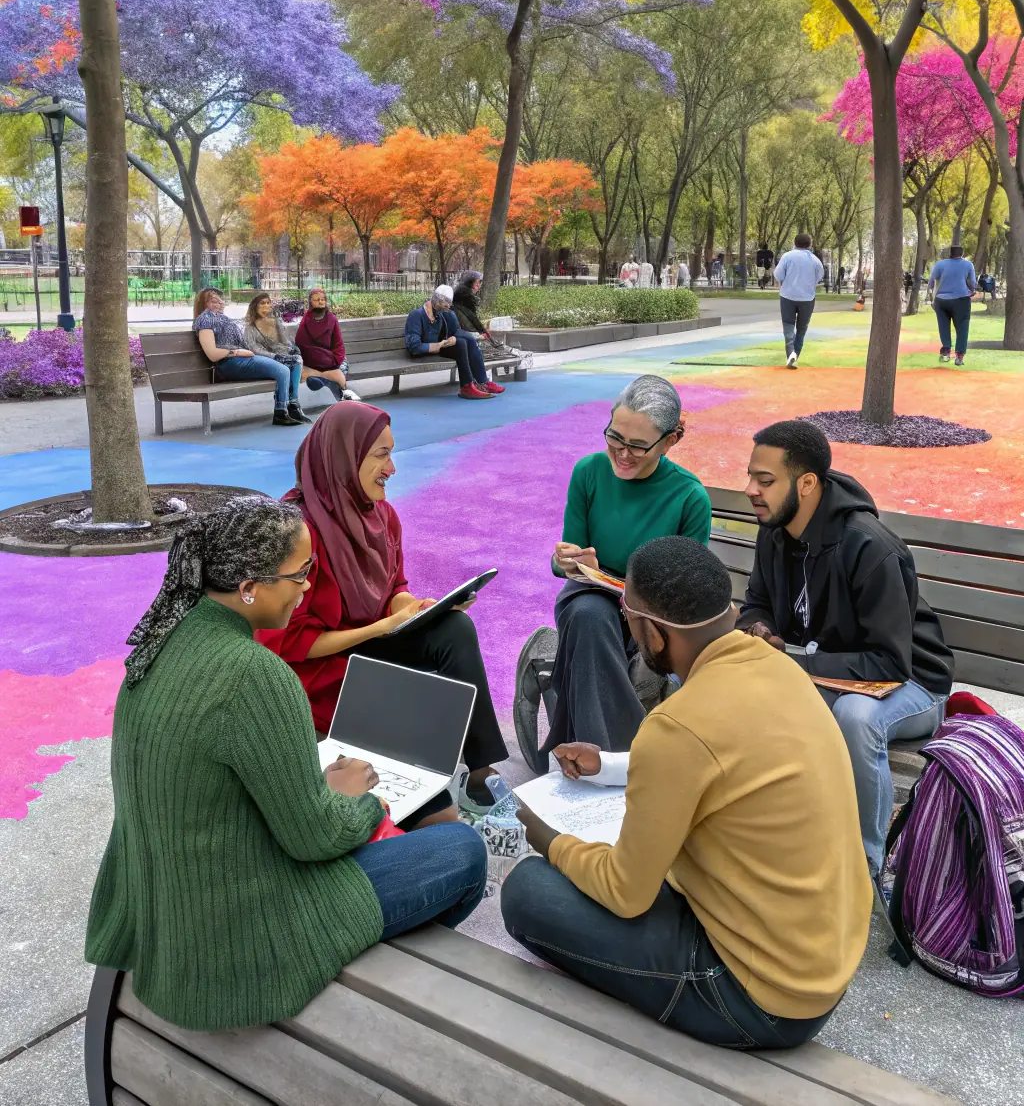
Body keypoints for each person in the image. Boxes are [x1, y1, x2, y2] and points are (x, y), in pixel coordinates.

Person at [85, 497, 487, 1033]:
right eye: (301, 574)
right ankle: (370, 975)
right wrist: (361, 803)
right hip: (242, 932)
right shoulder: (255, 674)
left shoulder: (159, 644)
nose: (306, 588)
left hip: (169, 902)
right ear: (250, 585)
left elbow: (212, 787)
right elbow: (313, 839)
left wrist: (314, 786)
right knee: (460, 850)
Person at [503, 536, 871, 1049]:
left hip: (757, 999)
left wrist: (546, 837)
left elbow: (624, 892)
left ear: (653, 634)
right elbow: (717, 762)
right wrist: (607, 766)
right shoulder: (779, 670)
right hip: (821, 965)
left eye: (627, 616)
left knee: (527, 891)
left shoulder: (676, 724)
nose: (627, 627)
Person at [258, 404, 509, 817]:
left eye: (392, 453)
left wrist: (411, 607)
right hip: (323, 668)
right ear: (343, 456)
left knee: (454, 626)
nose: (391, 468)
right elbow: (290, 645)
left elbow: (395, 586)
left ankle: (481, 774)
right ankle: (425, 793)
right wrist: (381, 627)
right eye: (379, 454)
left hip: (372, 642)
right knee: (435, 796)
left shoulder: (382, 517)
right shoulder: (297, 532)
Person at [737, 419, 953, 876]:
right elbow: (756, 603)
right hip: (827, 671)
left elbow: (890, 662)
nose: (750, 489)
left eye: (765, 480)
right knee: (748, 695)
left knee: (855, 717)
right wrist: (758, 631)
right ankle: (781, 839)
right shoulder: (774, 529)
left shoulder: (868, 546)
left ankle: (864, 867)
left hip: (912, 682)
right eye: (751, 476)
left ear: (808, 482)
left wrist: (795, 661)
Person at [539, 375, 712, 757]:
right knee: (587, 613)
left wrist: (640, 599)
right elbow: (568, 560)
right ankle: (620, 755)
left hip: (653, 612)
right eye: (614, 438)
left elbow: (685, 591)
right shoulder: (589, 472)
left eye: (637, 445)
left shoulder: (689, 496)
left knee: (590, 626)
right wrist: (565, 560)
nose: (622, 453)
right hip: (592, 593)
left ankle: (589, 754)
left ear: (671, 441)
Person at [193, 288, 308, 427]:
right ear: (203, 304)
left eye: (220, 299)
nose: (219, 303)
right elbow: (212, 354)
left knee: (293, 363)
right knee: (282, 370)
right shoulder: (205, 320)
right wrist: (236, 353)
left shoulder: (222, 318)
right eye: (213, 300)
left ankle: (292, 406)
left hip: (243, 360)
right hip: (228, 364)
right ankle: (280, 412)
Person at [404, 284, 504, 400]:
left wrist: (474, 337)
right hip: (422, 352)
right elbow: (414, 346)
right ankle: (471, 385)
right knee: (461, 342)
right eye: (445, 305)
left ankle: (476, 384)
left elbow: (456, 332)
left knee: (464, 341)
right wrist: (440, 344)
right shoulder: (416, 315)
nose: (448, 308)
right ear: (438, 301)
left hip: (439, 348)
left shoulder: (441, 313)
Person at [295, 287, 360, 401]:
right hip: (312, 361)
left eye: (323, 299)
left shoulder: (332, 319)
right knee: (334, 374)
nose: (321, 302)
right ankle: (343, 396)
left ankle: (321, 380)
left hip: (331, 359)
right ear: (311, 302)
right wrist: (316, 359)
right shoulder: (306, 319)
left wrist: (335, 360)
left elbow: (338, 344)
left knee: (342, 367)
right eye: (317, 300)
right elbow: (301, 343)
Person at [774, 233, 824, 368]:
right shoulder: (815, 260)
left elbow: (778, 274)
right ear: (810, 245)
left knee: (788, 327)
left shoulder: (787, 256)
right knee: (802, 329)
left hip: (787, 296)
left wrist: (785, 281)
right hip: (807, 298)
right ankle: (795, 356)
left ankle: (791, 355)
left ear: (794, 244)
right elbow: (820, 275)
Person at [927, 245, 978, 365]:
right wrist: (972, 290)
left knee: (943, 326)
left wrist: (930, 297)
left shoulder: (940, 264)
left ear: (950, 253)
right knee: (962, 328)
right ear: (962, 254)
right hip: (961, 300)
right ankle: (959, 357)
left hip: (941, 300)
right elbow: (972, 282)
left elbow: (932, 281)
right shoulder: (968, 264)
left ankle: (945, 353)